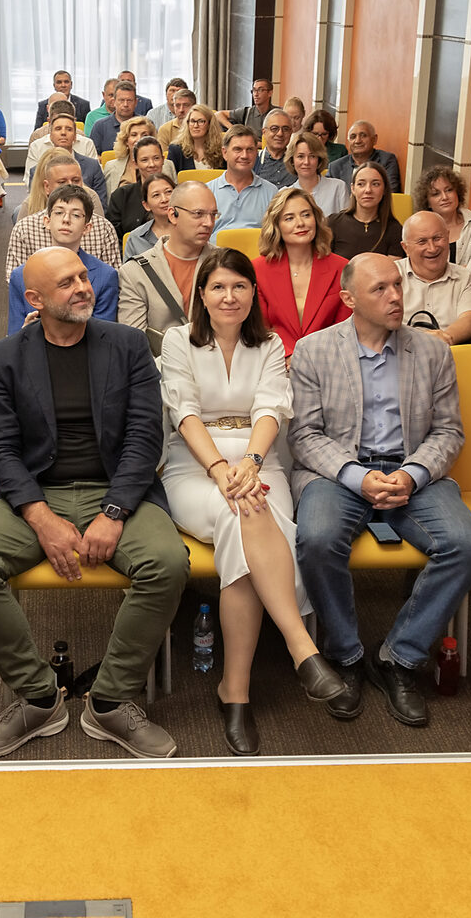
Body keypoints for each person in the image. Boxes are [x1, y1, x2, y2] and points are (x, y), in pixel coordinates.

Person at [0, 246, 190, 759]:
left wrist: (115, 511)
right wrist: (40, 517)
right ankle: (39, 698)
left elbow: (145, 438)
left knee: (167, 563)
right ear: (34, 299)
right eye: (67, 283)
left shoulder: (127, 345)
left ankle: (110, 700)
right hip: (39, 491)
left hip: (117, 488)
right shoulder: (6, 356)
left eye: (83, 276)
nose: (83, 287)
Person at [158, 250, 346, 753]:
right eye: (218, 287)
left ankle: (235, 690)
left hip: (261, 463)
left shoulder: (270, 344)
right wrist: (220, 470)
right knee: (244, 511)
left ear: (253, 294)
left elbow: (270, 409)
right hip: (194, 466)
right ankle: (301, 647)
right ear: (201, 295)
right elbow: (184, 412)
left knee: (245, 518)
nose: (229, 297)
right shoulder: (178, 341)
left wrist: (252, 463)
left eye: (240, 286)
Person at [290, 253, 471, 726]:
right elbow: (304, 435)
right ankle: (346, 656)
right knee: (317, 539)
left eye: (397, 285)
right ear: (348, 299)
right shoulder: (314, 351)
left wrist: (413, 473)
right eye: (380, 289)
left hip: (411, 470)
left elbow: (448, 431)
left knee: (466, 545)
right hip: (339, 472)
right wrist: (356, 476)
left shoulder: (432, 352)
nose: (395, 296)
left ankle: (399, 657)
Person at [118, 180, 219, 355]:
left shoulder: (226, 263)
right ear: (173, 215)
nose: (208, 223)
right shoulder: (135, 273)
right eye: (198, 214)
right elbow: (134, 347)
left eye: (213, 214)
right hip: (161, 367)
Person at [251, 187, 351, 357]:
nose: (300, 223)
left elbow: (344, 329)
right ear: (276, 225)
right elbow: (260, 328)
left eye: (306, 215)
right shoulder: (258, 269)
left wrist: (311, 361)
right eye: (289, 218)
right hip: (275, 359)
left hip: (328, 359)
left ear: (316, 219)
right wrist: (288, 357)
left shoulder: (341, 267)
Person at [7, 185, 118, 332]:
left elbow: (104, 334)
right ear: (47, 221)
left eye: (76, 215)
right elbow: (14, 333)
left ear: (87, 228)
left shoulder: (106, 276)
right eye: (59, 213)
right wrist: (25, 333)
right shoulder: (21, 275)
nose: (66, 220)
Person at [7, 150, 122, 271]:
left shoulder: (103, 228)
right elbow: (16, 278)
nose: (70, 186)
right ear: (47, 187)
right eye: (62, 182)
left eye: (76, 180)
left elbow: (111, 277)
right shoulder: (24, 229)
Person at [398, 211, 471, 345]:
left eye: (437, 238)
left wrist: (441, 340)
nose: (432, 248)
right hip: (400, 350)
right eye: (422, 241)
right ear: (405, 248)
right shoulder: (391, 276)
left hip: (451, 349)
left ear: (448, 237)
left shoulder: (466, 278)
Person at [413, 164, 471, 270]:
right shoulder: (418, 231)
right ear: (427, 202)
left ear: (457, 193)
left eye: (449, 190)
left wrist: (470, 267)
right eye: (436, 194)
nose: (444, 197)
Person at [210, 126, 280, 232]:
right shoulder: (207, 192)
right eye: (237, 149)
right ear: (225, 153)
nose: (244, 156)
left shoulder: (271, 192)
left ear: (256, 153)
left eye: (250, 150)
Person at [329, 163, 404, 260]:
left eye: (375, 184)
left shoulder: (395, 230)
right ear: (353, 189)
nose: (368, 190)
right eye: (361, 184)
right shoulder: (333, 223)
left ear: (385, 189)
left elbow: (392, 268)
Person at [26, 107, 105, 193]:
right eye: (58, 129)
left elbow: (100, 199)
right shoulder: (37, 170)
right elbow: (35, 198)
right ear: (50, 135)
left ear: (75, 136)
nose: (63, 133)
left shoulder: (92, 166)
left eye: (69, 129)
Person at [105, 135, 169, 235]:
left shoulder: (178, 194)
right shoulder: (121, 196)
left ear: (163, 159)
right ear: (135, 164)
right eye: (144, 160)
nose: (151, 164)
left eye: (156, 158)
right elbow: (114, 236)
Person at [329, 120, 403, 194]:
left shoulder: (386, 161)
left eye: (363, 135)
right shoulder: (335, 167)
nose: (357, 141)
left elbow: (391, 193)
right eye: (353, 137)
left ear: (374, 139)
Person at [288, 131, 350, 216]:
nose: (306, 162)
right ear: (292, 160)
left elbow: (346, 222)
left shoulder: (338, 188)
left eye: (312, 156)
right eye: (300, 156)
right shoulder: (286, 193)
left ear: (319, 159)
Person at [122, 172, 178, 263]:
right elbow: (129, 271)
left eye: (168, 192)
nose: (164, 199)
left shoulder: (190, 230)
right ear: (146, 205)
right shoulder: (136, 238)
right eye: (156, 195)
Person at [102, 116, 156, 195]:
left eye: (144, 135)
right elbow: (108, 199)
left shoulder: (167, 166)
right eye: (134, 135)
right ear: (126, 141)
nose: (139, 139)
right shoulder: (111, 167)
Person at [89, 79, 139, 157]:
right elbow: (93, 157)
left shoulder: (145, 125)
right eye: (121, 100)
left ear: (136, 102)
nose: (125, 104)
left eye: (129, 100)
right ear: (114, 102)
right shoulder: (100, 126)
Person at [169, 103, 224, 172]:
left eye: (201, 121)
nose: (195, 126)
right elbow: (169, 177)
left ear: (209, 124)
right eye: (192, 121)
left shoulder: (221, 150)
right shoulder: (176, 150)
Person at [255, 109, 296, 187]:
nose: (280, 134)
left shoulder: (297, 162)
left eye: (285, 129)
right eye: (274, 129)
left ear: (291, 133)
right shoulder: (253, 161)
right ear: (264, 132)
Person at [157, 85, 197, 154]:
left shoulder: (200, 126)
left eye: (186, 105)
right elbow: (164, 157)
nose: (181, 110)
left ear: (194, 106)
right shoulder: (165, 129)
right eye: (177, 105)